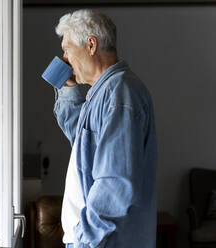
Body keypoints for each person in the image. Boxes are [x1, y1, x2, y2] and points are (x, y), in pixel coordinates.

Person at [53, 9, 157, 248]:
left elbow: (116, 181)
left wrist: (86, 239)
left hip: (100, 243)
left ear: (91, 45)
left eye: (67, 49)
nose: (65, 59)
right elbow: (80, 141)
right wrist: (67, 89)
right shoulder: (103, 93)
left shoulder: (119, 95)